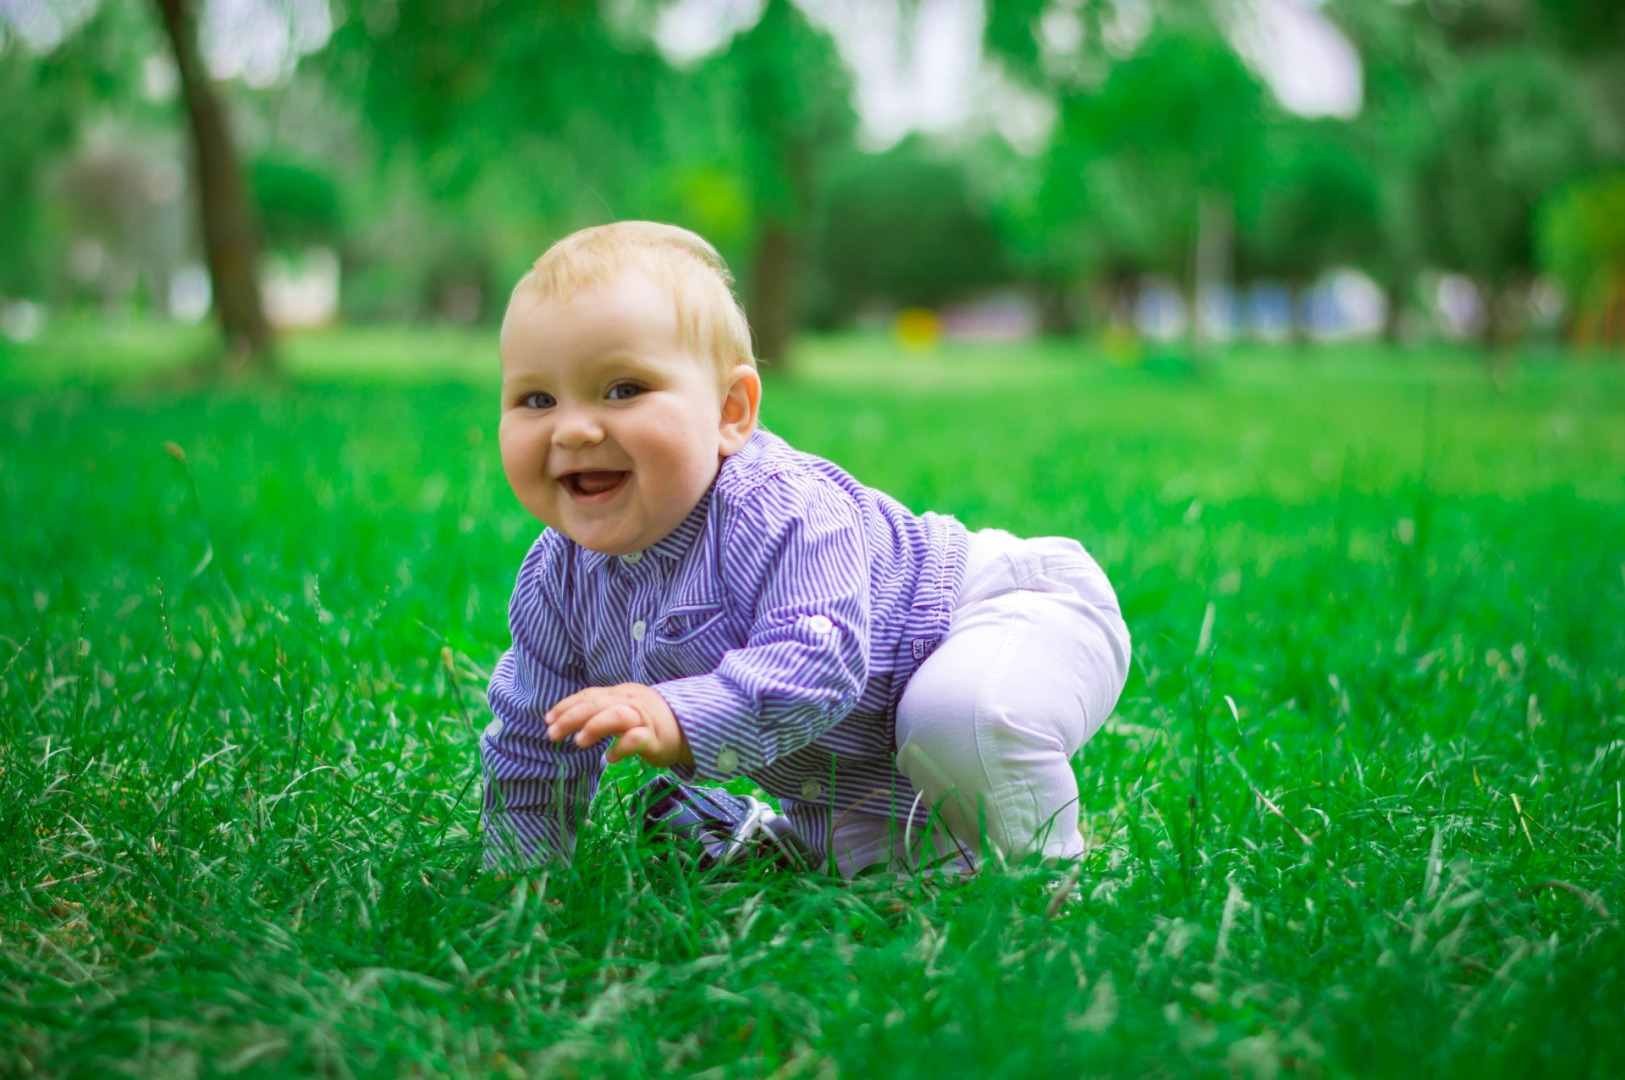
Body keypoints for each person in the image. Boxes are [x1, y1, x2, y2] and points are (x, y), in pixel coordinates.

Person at [481, 221, 1131, 875]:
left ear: (731, 411)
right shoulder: (556, 577)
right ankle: (753, 835)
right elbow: (535, 739)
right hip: (866, 757)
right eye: (536, 398)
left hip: (1000, 613)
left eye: (623, 389)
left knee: (956, 720)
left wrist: (675, 713)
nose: (573, 428)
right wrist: (523, 882)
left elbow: (816, 665)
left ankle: (1046, 890)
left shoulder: (779, 508)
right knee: (896, 889)